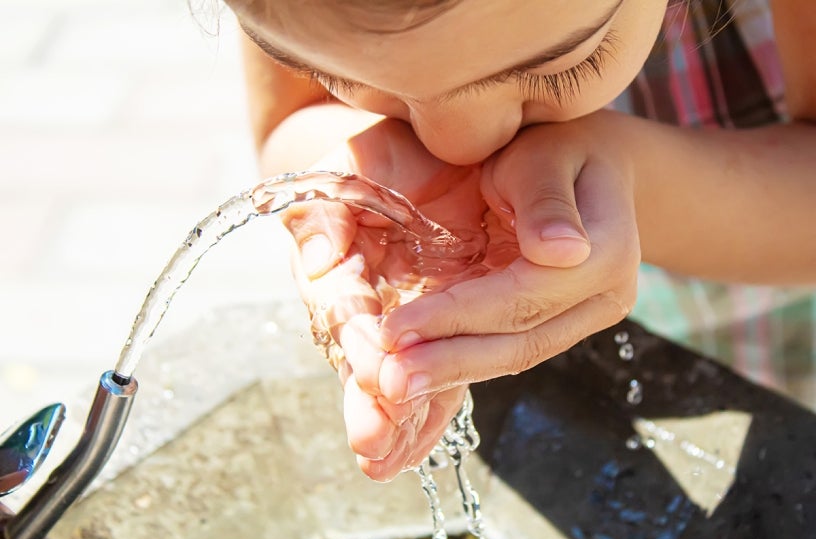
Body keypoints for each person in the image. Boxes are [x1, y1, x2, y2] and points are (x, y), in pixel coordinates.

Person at [221, 0, 816, 482]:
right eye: (343, 76)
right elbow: (288, 123)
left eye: (563, 67)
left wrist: (632, 181)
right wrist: (356, 178)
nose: (462, 149)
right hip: (554, 387)